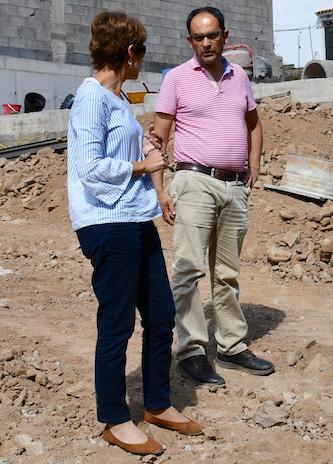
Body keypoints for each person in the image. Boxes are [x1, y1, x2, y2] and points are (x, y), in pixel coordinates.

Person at [67, 10, 202, 456]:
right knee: (118, 323)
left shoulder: (117, 99)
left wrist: (146, 150)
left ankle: (158, 403)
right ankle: (114, 418)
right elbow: (89, 168)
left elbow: (117, 154)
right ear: (128, 53)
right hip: (107, 224)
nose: (141, 60)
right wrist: (142, 164)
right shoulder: (92, 99)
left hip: (133, 217)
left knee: (161, 315)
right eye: (140, 51)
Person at [147, 6, 272, 386]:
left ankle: (232, 346)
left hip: (234, 187)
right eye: (198, 37)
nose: (206, 42)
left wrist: (254, 163)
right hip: (194, 181)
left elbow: (253, 123)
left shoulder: (239, 78)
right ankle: (191, 350)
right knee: (188, 270)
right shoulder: (178, 79)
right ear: (190, 41)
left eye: (212, 35)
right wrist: (160, 189)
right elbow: (157, 137)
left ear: (224, 36)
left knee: (228, 273)